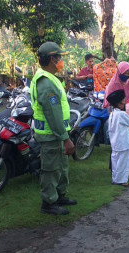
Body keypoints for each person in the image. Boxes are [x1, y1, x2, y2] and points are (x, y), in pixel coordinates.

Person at [30, 42, 77, 216]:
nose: (60, 62)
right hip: (52, 135)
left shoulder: (50, 79)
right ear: (51, 59)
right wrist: (65, 138)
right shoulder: (46, 82)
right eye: (59, 58)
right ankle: (49, 202)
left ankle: (59, 196)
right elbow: (53, 113)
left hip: (56, 133)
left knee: (61, 167)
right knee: (50, 170)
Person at [105, 62, 129, 170]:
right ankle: (115, 168)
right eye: (125, 73)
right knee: (117, 142)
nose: (127, 76)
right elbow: (109, 101)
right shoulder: (113, 84)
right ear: (119, 72)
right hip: (116, 112)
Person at [107, 89, 129, 186]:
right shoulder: (121, 114)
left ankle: (116, 178)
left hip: (115, 142)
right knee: (123, 162)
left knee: (116, 161)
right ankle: (121, 180)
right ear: (119, 104)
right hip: (122, 142)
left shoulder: (112, 114)